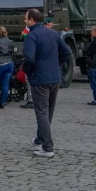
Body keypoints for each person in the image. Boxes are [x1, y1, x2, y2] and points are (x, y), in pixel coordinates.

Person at [22, 8, 70, 159]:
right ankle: (40, 139)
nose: (24, 21)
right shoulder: (53, 33)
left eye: (25, 18)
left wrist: (28, 72)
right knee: (48, 112)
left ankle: (47, 146)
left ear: (31, 20)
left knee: (41, 112)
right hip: (54, 78)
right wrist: (57, 64)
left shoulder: (32, 36)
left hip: (39, 78)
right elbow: (67, 52)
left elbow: (29, 59)